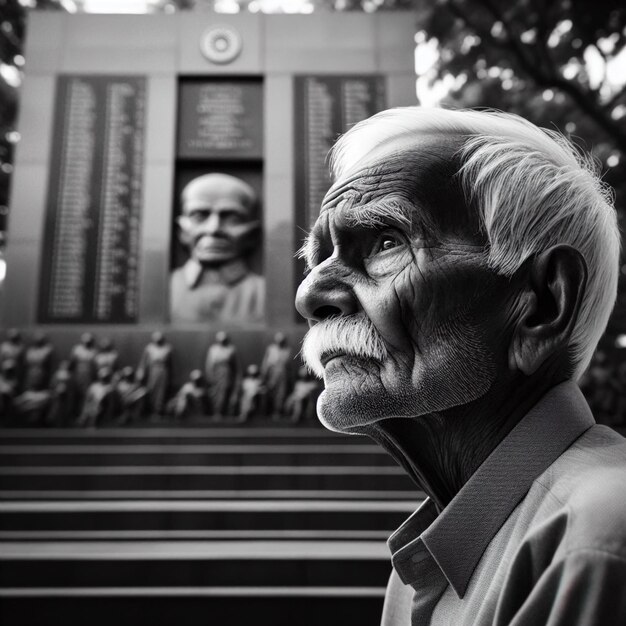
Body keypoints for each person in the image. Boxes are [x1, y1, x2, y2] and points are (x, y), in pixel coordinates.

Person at [295, 107, 625, 625]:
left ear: (541, 303)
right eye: (318, 258)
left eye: (385, 242)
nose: (310, 293)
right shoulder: (430, 560)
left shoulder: (597, 541)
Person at [170, 173, 264, 324]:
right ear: (181, 231)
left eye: (232, 218)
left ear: (252, 234)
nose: (213, 229)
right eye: (199, 216)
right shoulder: (163, 291)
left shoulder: (264, 294)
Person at [205, 331, 240, 418]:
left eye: (224, 339)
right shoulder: (213, 349)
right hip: (215, 373)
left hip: (226, 373)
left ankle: (221, 412)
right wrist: (209, 375)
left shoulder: (231, 349)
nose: (222, 341)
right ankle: (216, 411)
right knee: (215, 393)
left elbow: (235, 366)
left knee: (224, 392)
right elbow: (209, 364)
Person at [137, 332, 172, 416]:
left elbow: (170, 364)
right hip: (152, 370)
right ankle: (151, 408)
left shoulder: (167, 348)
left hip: (163, 370)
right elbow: (143, 362)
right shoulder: (149, 348)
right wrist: (141, 372)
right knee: (151, 388)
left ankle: (158, 409)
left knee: (161, 390)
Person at [260, 332, 292, 419]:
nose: (280, 342)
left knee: (281, 394)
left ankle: (277, 411)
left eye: (282, 341)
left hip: (282, 375)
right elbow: (265, 364)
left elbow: (288, 365)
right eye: (279, 341)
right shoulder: (271, 349)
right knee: (270, 392)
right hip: (272, 374)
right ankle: (267, 412)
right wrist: (263, 375)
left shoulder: (287, 350)